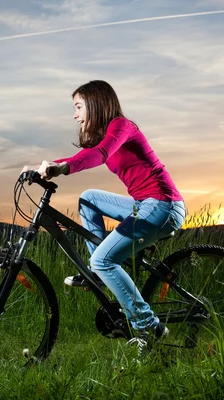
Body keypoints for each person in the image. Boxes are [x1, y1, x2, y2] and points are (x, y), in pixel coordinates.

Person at [22, 80, 186, 355]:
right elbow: (83, 155)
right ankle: (98, 275)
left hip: (162, 206)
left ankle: (149, 327)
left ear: (96, 103)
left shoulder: (122, 126)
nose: (75, 114)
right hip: (142, 204)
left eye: (78, 106)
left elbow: (99, 155)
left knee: (102, 260)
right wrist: (42, 167)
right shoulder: (105, 134)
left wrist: (62, 168)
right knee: (88, 199)